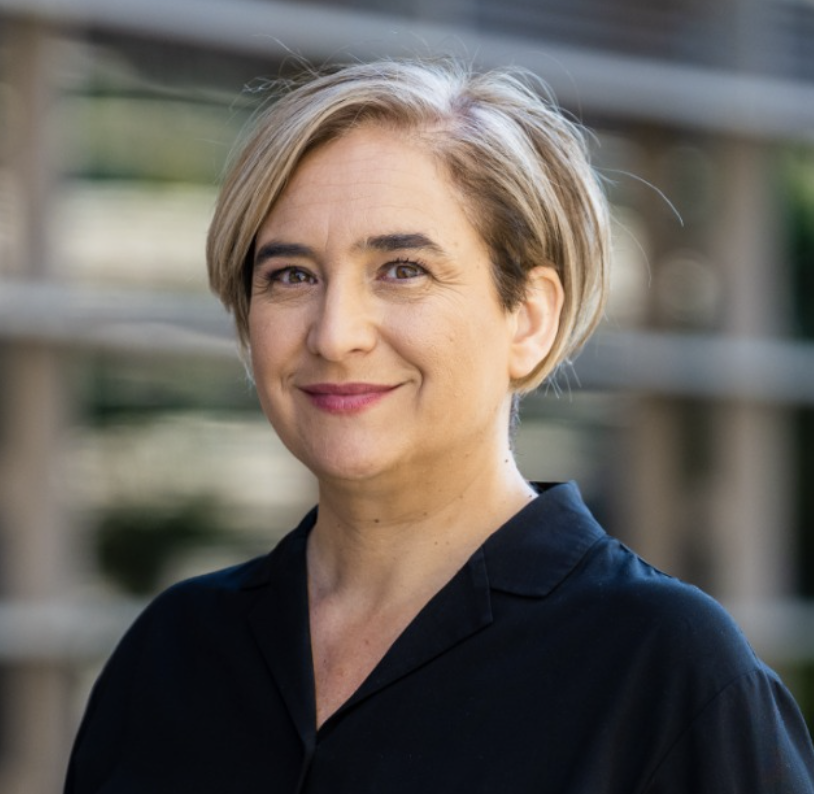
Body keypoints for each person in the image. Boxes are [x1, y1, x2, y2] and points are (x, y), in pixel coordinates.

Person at [65, 58, 814, 793]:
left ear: (528, 318)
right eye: (291, 275)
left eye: (402, 269)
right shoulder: (172, 655)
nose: (334, 334)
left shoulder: (667, 671)